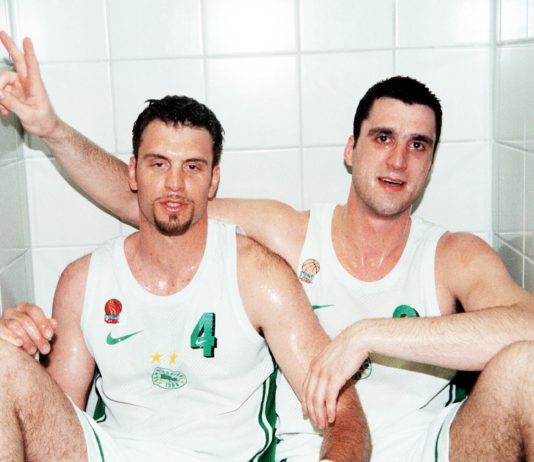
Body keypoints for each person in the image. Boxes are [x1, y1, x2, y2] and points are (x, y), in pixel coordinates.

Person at [1, 31, 534, 461]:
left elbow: (527, 326)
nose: (398, 160)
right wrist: (51, 129)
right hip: (315, 449)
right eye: (383, 138)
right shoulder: (289, 233)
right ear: (350, 149)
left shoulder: (452, 255)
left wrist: (368, 335)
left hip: (430, 446)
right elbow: (159, 203)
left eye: (418, 145)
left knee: (525, 371)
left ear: (431, 162)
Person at [0, 53, 371, 460]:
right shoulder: (84, 282)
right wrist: (23, 357)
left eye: (192, 167)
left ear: (213, 180)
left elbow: (344, 410)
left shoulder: (258, 276)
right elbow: (52, 424)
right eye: (158, 164)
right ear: (132, 172)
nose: (174, 184)